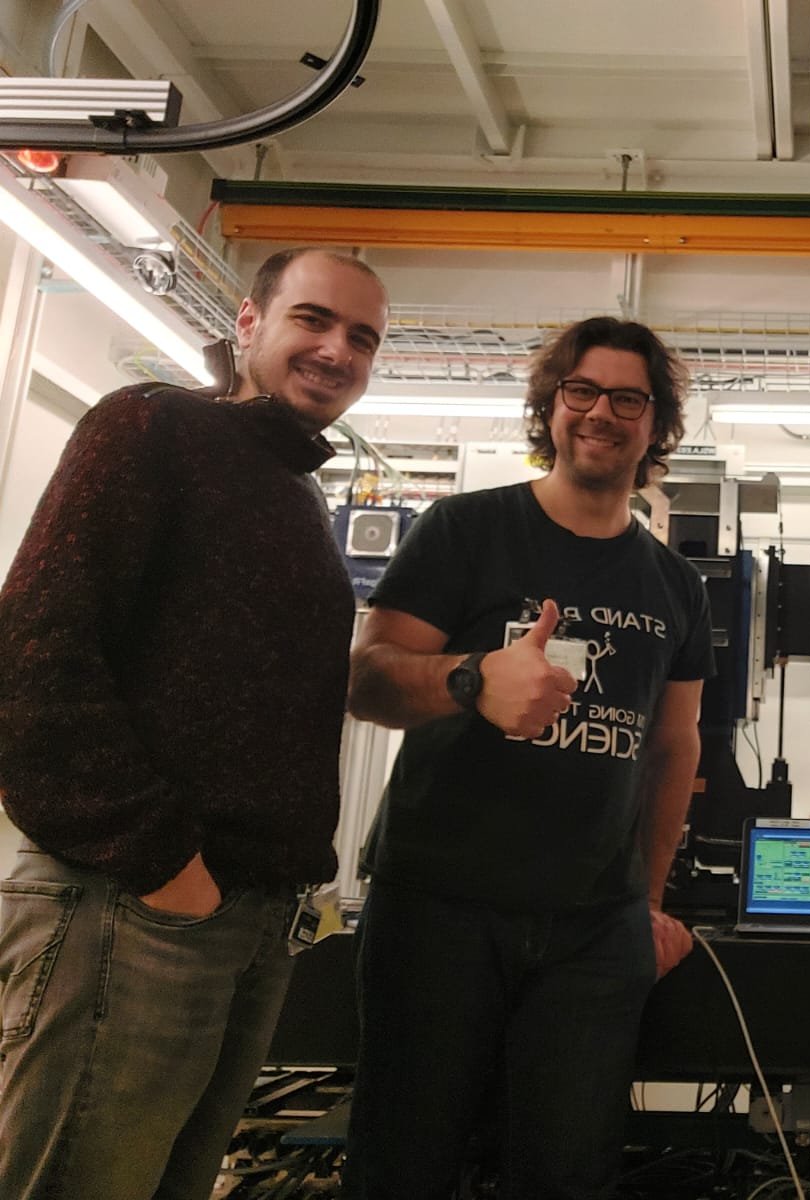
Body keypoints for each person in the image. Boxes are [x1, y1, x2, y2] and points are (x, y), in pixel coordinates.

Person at [0, 247, 389, 1200]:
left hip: (240, 914)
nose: (337, 350)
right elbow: (32, 657)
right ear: (248, 322)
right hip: (132, 903)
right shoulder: (153, 426)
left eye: (362, 337)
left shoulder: (293, 489)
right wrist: (164, 868)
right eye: (313, 319)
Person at [342, 315, 713, 1200]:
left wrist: (648, 901)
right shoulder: (465, 530)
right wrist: (473, 679)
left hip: (592, 929)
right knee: (405, 1166)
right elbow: (367, 681)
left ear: (656, 426)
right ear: (550, 405)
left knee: (567, 1174)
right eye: (582, 391)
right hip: (439, 909)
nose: (602, 413)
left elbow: (674, 746)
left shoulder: (675, 584)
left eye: (629, 399)